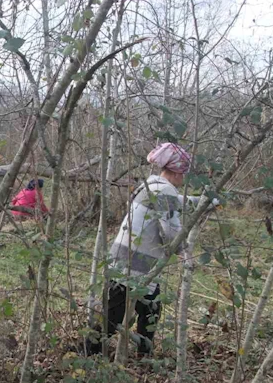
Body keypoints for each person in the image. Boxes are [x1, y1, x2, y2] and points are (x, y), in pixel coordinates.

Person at [85, 142, 218, 356]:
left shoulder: (153, 185)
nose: (184, 178)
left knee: (150, 309)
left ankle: (143, 354)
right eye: (183, 173)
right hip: (134, 263)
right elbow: (171, 232)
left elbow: (176, 203)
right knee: (115, 315)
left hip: (129, 258)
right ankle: (89, 353)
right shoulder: (165, 191)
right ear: (177, 172)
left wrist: (202, 203)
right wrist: (185, 253)